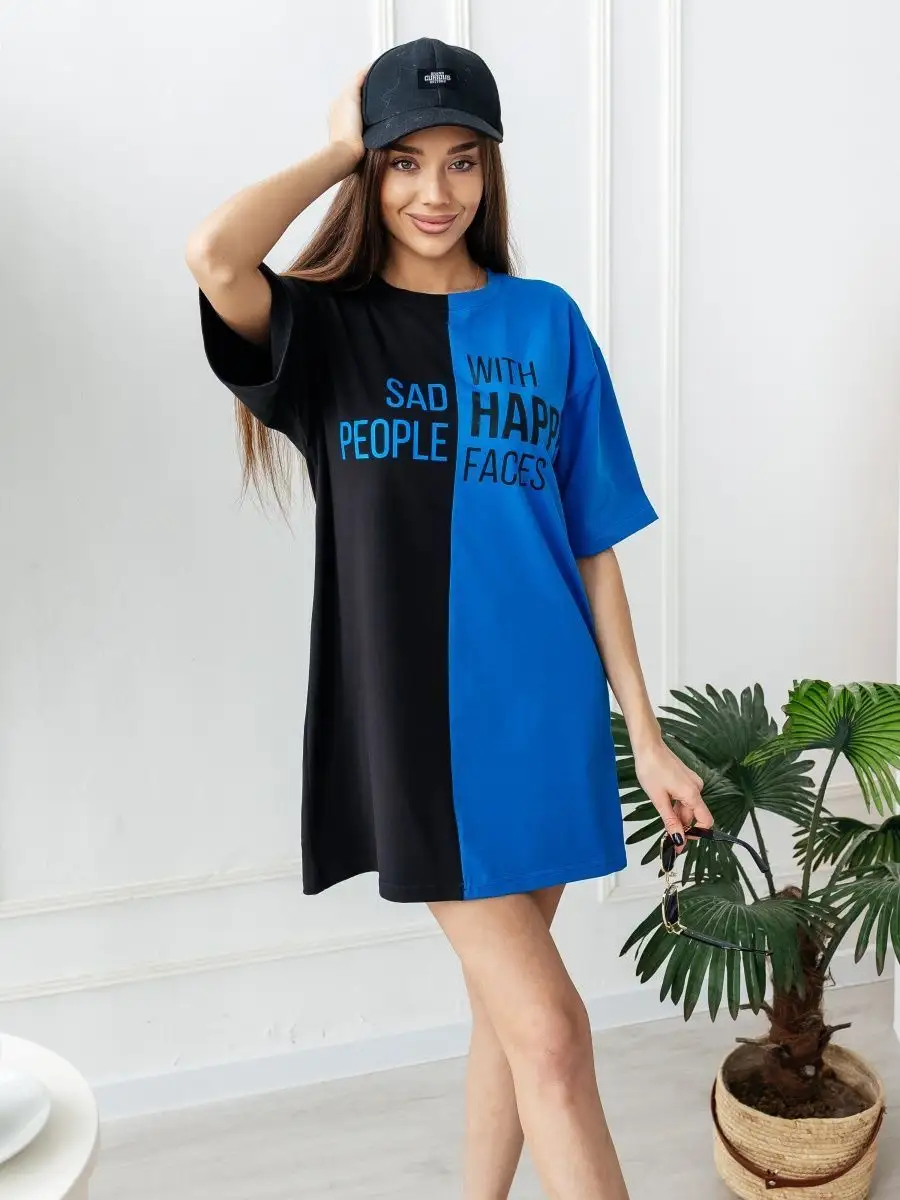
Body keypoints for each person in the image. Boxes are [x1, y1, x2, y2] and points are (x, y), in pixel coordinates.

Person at [186, 35, 713, 1200]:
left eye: (463, 160)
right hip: (418, 731)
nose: (437, 191)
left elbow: (591, 546)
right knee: (556, 1035)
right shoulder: (327, 331)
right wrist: (337, 147)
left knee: (510, 1021)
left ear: (492, 170)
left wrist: (646, 733)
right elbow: (213, 253)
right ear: (371, 174)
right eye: (404, 161)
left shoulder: (546, 322)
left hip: (544, 721)